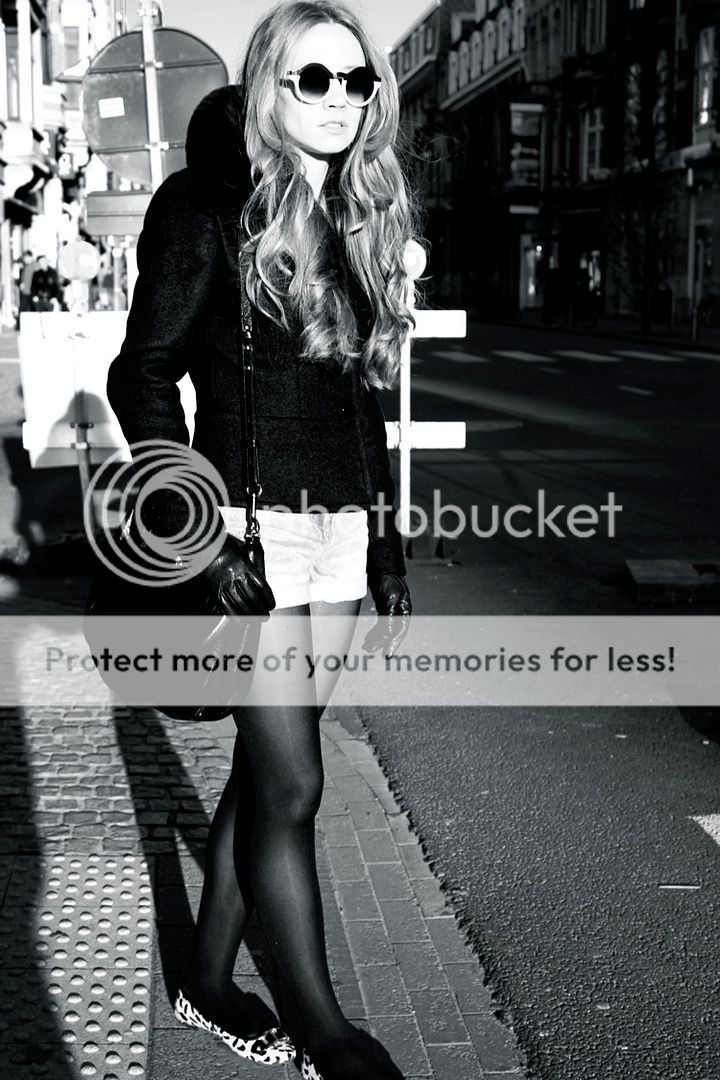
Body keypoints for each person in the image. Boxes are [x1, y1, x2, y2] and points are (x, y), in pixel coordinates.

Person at [105, 2, 420, 1077]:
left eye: (356, 80)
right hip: (253, 541)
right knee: (294, 787)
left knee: (264, 771)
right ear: (270, 85)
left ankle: (202, 978)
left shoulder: (356, 214)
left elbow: (358, 402)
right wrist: (201, 532)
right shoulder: (206, 207)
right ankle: (325, 1031)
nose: (339, 99)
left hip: (338, 536)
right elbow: (142, 374)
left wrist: (385, 547)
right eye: (312, 79)